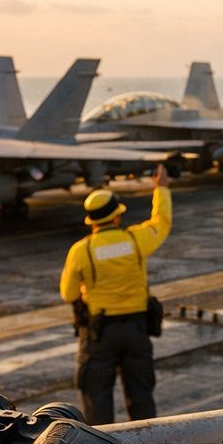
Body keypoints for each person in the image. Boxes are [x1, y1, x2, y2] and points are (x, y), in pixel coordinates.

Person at [58, 164, 173, 426]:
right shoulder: (136, 240)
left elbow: (68, 293)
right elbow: (161, 223)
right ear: (117, 217)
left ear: (92, 221)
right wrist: (161, 188)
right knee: (141, 397)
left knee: (96, 401)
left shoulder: (81, 251)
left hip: (100, 334)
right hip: (137, 330)